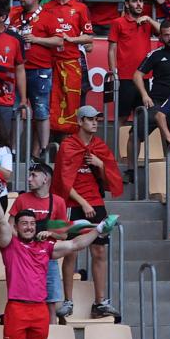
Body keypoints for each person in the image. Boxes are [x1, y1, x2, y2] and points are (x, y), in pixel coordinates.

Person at [0, 192, 112, 339]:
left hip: (40, 310)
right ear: (17, 227)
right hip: (17, 308)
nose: (29, 227)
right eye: (24, 224)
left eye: (32, 224)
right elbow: (0, 222)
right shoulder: (10, 245)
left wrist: (98, 230)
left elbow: (75, 244)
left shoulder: (46, 246)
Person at [51, 103, 121, 316]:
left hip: (96, 202)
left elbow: (112, 179)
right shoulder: (68, 146)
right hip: (74, 204)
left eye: (97, 119)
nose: (94, 123)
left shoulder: (99, 146)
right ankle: (68, 300)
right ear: (80, 121)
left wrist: (100, 165)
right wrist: (83, 203)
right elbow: (63, 182)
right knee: (71, 251)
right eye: (90, 119)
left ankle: (100, 302)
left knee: (99, 251)